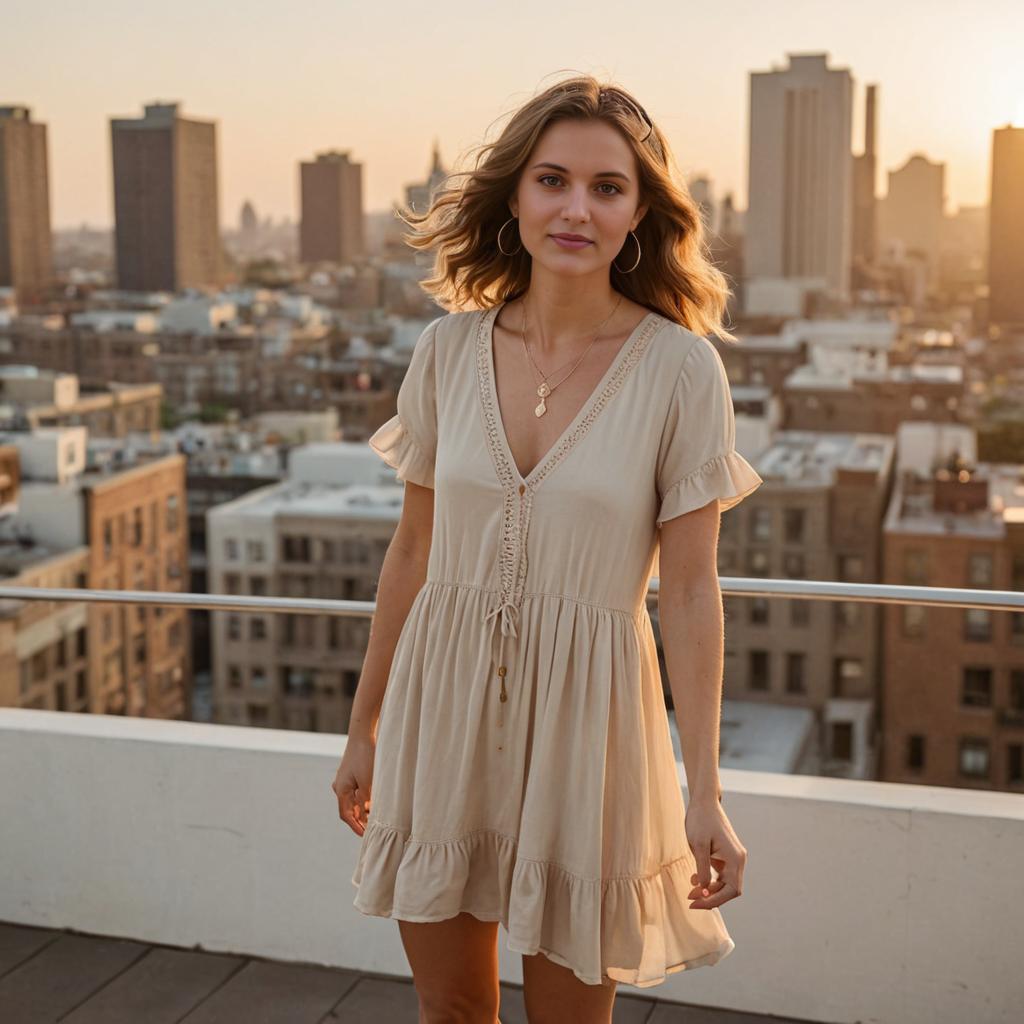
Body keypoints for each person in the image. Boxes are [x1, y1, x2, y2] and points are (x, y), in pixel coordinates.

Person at [332, 73, 764, 1024]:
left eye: (607, 188)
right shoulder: (445, 353)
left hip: (590, 727)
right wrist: (365, 726)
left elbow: (690, 594)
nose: (576, 208)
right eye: (552, 180)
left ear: (640, 212)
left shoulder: (682, 370)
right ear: (515, 197)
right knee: (451, 1012)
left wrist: (705, 794)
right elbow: (411, 554)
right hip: (439, 710)